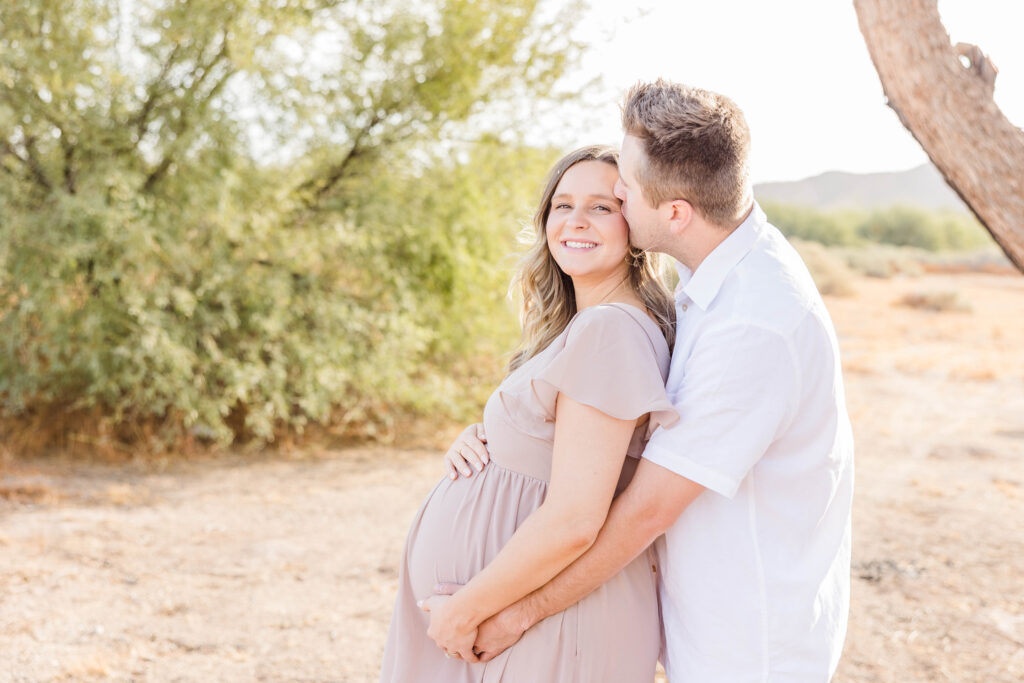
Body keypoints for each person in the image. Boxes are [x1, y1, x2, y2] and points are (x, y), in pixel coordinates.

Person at [428, 80, 855, 681]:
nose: (616, 191)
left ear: (675, 213)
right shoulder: (715, 275)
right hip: (696, 612)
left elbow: (647, 509)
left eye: (621, 188)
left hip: (745, 640)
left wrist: (510, 613)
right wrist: (502, 439)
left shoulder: (754, 322)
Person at [379, 145, 681, 682]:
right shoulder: (588, 327)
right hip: (516, 622)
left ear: (634, 223)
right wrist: (486, 439)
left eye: (601, 207)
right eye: (561, 206)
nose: (576, 221)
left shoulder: (608, 330)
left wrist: (467, 610)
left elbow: (574, 520)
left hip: (543, 625)